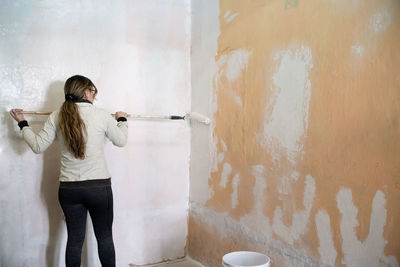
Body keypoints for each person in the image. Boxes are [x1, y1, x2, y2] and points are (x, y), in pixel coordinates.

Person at [9, 75, 128, 267]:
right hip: (99, 189)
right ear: (86, 92)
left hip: (69, 191)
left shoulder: (57, 115)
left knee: (74, 241)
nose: (94, 96)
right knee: (105, 238)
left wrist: (22, 122)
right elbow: (121, 140)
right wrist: (121, 119)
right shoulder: (101, 115)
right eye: (93, 91)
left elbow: (38, 146)